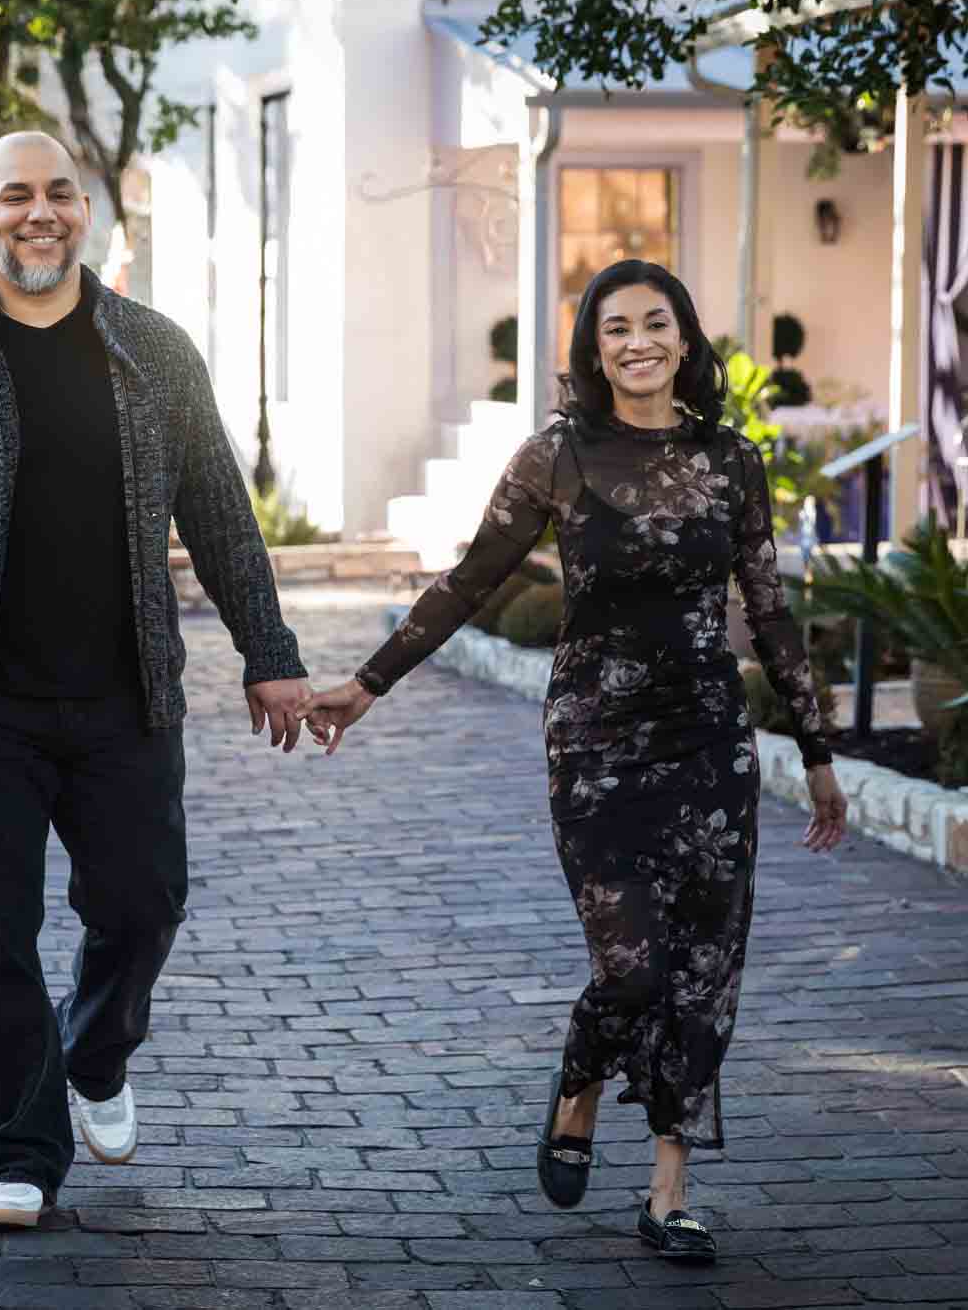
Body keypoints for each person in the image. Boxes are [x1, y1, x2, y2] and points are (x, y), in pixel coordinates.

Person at [299, 260, 847, 1261]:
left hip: (707, 738)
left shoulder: (730, 460)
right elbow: (469, 581)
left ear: (683, 336)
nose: (636, 342)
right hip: (595, 740)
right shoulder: (557, 455)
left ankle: (667, 1189)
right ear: (592, 352)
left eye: (654, 323)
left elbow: (766, 611)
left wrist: (814, 750)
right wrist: (366, 686)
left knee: (703, 966)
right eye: (613, 329)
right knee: (630, 966)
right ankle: (578, 1081)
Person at [0, 131, 313, 1229]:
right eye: (14, 196)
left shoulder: (154, 350)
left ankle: (96, 1055)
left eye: (59, 192)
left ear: (87, 214)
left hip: (126, 699)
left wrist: (271, 654)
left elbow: (219, 514)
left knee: (144, 902)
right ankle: (18, 1154)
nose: (38, 211)